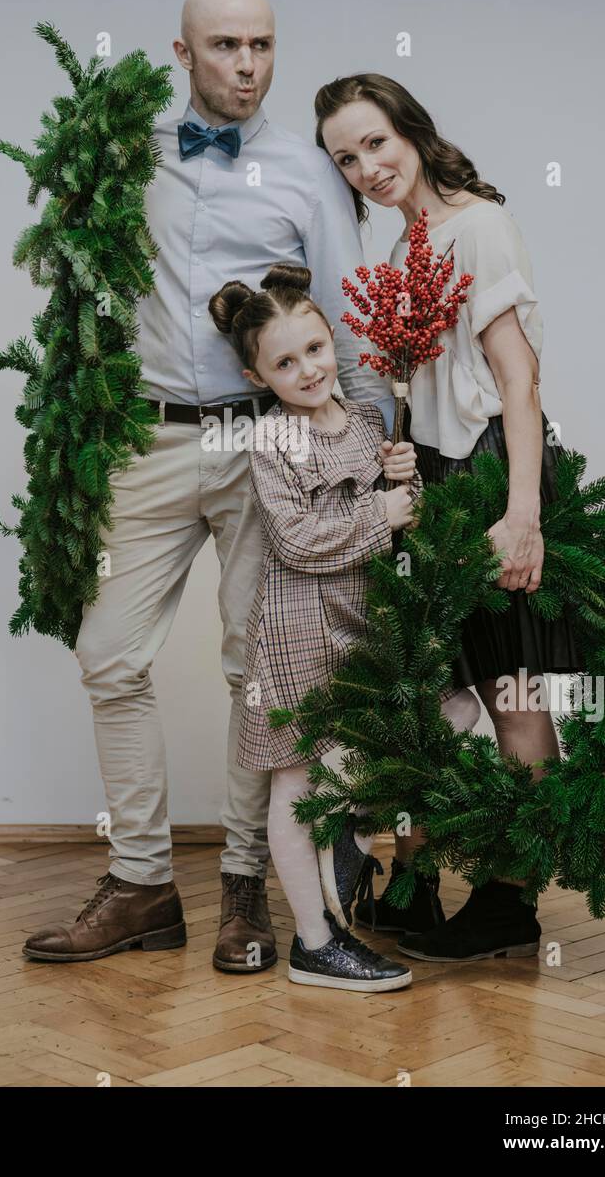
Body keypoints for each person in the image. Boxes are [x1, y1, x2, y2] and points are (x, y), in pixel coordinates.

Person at [22, 0, 394, 970]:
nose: (246, 64)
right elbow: (71, 271)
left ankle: (243, 883)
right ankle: (141, 880)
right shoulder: (125, 152)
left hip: (263, 449)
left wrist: (373, 458)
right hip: (143, 439)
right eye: (224, 45)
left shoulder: (309, 173)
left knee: (254, 667)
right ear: (180, 55)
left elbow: (348, 331)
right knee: (109, 651)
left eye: (262, 44)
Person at [316, 74, 583, 963]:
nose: (367, 168)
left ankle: (511, 898)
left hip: (490, 479)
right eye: (346, 159)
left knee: (510, 693)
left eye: (376, 144)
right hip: (432, 484)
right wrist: (400, 456)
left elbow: (517, 381)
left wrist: (522, 513)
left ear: (414, 133)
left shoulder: (478, 226)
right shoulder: (403, 254)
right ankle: (415, 883)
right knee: (434, 695)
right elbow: (422, 391)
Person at [208, 263, 478, 990]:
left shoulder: (364, 417)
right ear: (257, 374)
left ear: (335, 342)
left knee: (452, 709)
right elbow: (296, 539)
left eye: (315, 349)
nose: (307, 370)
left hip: (370, 618)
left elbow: (399, 517)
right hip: (302, 627)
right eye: (285, 362)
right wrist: (379, 514)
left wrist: (405, 483)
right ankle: (315, 941)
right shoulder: (273, 441)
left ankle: (353, 830)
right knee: (297, 780)